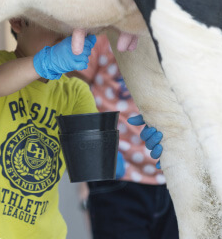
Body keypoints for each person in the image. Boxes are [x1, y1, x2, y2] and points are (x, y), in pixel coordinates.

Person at [0, 18, 99, 239]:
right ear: (18, 22)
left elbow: (92, 156)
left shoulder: (75, 92)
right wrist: (45, 62)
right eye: (54, 20)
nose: (68, 31)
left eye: (73, 24)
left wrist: (142, 140)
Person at [68, 34, 179, 239]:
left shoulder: (176, 33)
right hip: (118, 179)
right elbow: (74, 95)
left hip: (176, 178)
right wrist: (87, 177)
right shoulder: (105, 33)